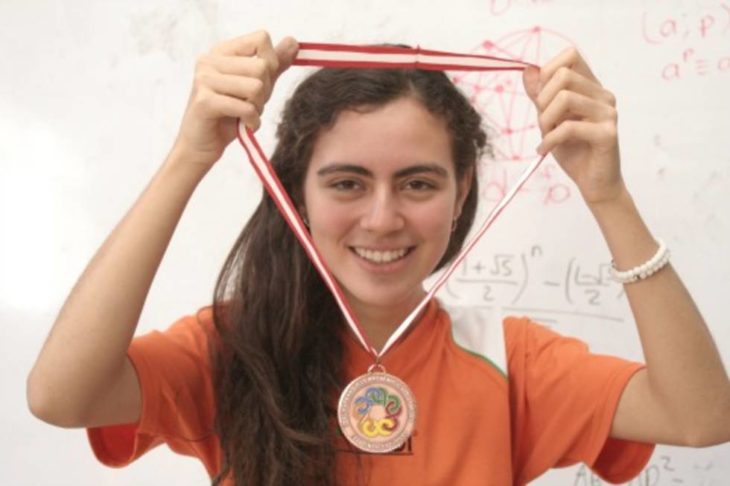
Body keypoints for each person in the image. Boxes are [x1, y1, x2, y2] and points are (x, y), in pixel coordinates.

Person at [27, 30, 730, 486]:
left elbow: (701, 418)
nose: (383, 217)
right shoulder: (235, 347)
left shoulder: (512, 362)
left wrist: (606, 194)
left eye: (419, 183)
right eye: (346, 182)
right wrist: (190, 156)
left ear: (461, 198)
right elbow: (61, 397)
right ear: (295, 195)